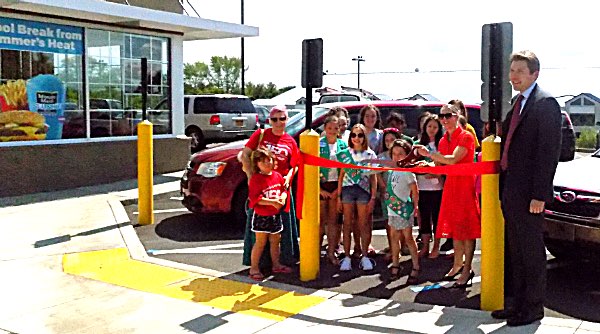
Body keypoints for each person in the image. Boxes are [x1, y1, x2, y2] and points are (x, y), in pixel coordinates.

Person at [492, 50, 562, 327]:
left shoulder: (546, 104)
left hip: (530, 195)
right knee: (515, 251)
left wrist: (539, 195)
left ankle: (533, 308)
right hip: (511, 189)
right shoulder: (516, 104)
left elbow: (548, 153)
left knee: (531, 253)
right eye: (512, 71)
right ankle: (516, 304)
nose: (513, 77)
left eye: (520, 71)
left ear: (535, 74)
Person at [415, 104, 480, 288]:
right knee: (456, 230)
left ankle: (467, 268)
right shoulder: (444, 140)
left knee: (467, 230)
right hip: (451, 186)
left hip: (465, 186)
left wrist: (429, 155)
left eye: (448, 116)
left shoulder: (466, 136)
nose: (444, 120)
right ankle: (457, 264)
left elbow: (453, 159)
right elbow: (441, 167)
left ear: (457, 116)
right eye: (442, 116)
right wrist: (425, 164)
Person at [240, 105, 300, 271]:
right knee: (259, 233)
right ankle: (256, 266)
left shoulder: (291, 141)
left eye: (282, 118)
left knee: (279, 232)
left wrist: (288, 177)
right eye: (275, 119)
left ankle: (279, 262)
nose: (279, 122)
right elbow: (245, 154)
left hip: (280, 189)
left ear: (287, 119)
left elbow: (294, 164)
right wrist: (251, 176)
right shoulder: (261, 135)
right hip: (262, 189)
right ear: (269, 120)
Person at [337, 124, 378, 271]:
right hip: (347, 190)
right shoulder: (344, 154)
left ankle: (365, 256)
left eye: (360, 135)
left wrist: (373, 197)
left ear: (364, 137)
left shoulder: (370, 154)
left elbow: (373, 179)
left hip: (363, 191)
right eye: (353, 135)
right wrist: (338, 196)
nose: (356, 138)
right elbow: (341, 176)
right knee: (347, 224)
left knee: (363, 224)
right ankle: (347, 257)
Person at [247, 147, 291, 281]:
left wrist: (282, 198)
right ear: (257, 164)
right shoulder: (256, 179)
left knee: (275, 240)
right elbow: (255, 199)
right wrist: (272, 202)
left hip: (275, 215)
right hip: (262, 215)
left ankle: (276, 264)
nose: (267, 164)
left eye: (269, 161)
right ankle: (254, 268)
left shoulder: (277, 176)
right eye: (263, 162)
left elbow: (284, 189)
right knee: (260, 242)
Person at [385, 139, 420, 284]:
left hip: (404, 209)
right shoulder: (392, 170)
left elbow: (414, 189)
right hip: (392, 209)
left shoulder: (407, 172)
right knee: (393, 236)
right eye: (394, 153)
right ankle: (395, 263)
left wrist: (416, 206)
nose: (397, 156)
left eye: (401, 154)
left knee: (408, 237)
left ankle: (416, 265)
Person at [414, 115, 444, 258]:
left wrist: (437, 173)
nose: (432, 129)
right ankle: (425, 247)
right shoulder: (418, 145)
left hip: (438, 188)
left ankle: (436, 247)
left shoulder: (442, 144)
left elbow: (445, 164)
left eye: (435, 127)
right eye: (429, 126)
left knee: (437, 218)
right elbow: (411, 164)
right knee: (424, 218)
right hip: (421, 187)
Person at [319, 115, 348, 265]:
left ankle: (331, 252)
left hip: (336, 186)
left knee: (333, 222)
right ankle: (316, 252)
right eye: (329, 128)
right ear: (325, 128)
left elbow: (345, 170)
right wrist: (318, 189)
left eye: (335, 128)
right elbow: (311, 167)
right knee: (320, 222)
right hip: (321, 186)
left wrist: (339, 190)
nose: (332, 131)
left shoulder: (343, 145)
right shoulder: (318, 144)